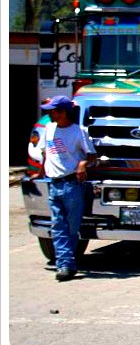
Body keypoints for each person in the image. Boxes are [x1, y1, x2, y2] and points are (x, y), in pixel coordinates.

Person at [34, 95, 97, 281]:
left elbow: (91, 156)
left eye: (53, 110)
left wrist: (82, 165)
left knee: (71, 227)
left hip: (72, 186)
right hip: (54, 184)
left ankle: (66, 262)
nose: (50, 113)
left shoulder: (78, 132)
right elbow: (46, 153)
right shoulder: (49, 129)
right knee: (57, 226)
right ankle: (65, 264)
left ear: (63, 112)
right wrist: (39, 172)